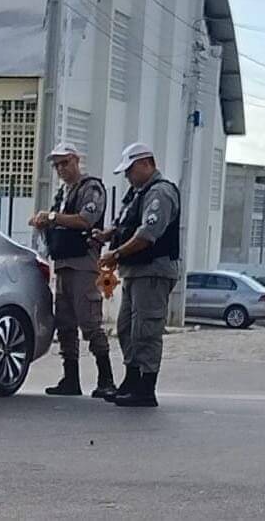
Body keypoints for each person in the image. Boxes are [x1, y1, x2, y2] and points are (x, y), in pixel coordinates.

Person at [94, 142, 180, 408]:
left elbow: (147, 234)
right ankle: (131, 381)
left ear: (146, 163)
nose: (128, 176)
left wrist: (116, 253)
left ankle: (145, 387)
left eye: (130, 170)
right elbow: (125, 222)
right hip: (135, 271)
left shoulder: (160, 193)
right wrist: (107, 235)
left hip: (152, 271)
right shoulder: (138, 193)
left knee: (146, 330)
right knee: (126, 329)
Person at [29, 143, 115, 399]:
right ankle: (70, 378)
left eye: (65, 163)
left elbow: (86, 219)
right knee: (65, 323)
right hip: (63, 263)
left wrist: (52, 218)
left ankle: (106, 378)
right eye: (57, 165)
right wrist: (44, 223)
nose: (61, 169)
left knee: (90, 322)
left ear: (76, 160)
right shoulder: (63, 193)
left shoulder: (91, 188)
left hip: (83, 263)